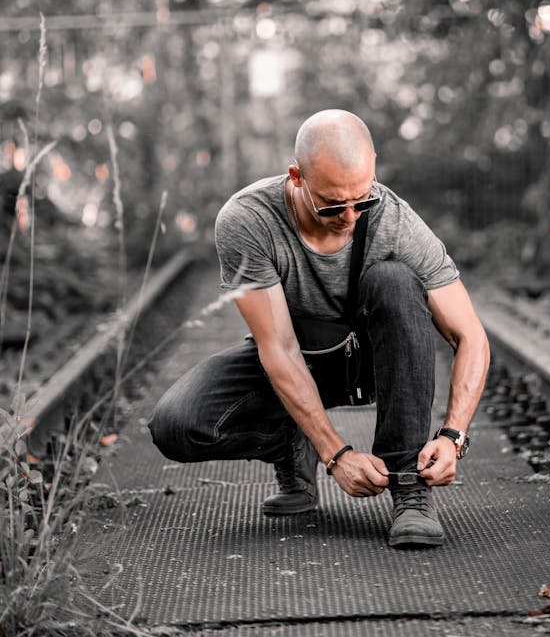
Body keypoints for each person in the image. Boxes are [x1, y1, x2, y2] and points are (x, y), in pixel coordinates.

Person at [149, 109, 490, 548]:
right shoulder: (249, 221)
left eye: (361, 200)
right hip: (298, 357)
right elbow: (279, 350)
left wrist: (453, 435)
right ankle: (290, 443)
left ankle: (409, 486)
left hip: (375, 360)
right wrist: (335, 453)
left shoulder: (396, 221)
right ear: (297, 177)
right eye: (332, 204)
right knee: (176, 425)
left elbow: (471, 336)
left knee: (395, 280)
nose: (349, 216)